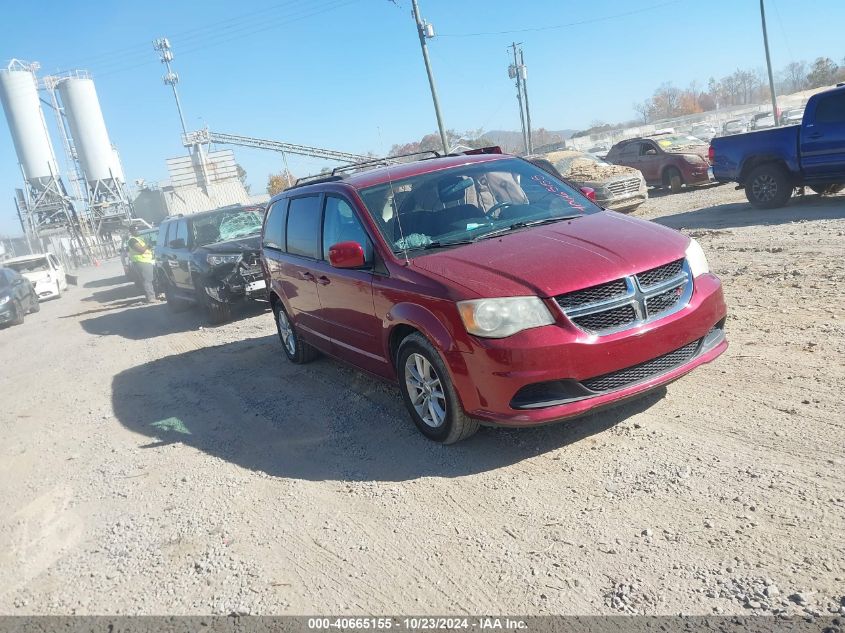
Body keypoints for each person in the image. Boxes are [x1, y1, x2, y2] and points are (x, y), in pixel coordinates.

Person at [127, 227, 156, 303]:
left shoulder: (140, 239)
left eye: (137, 230)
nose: (137, 231)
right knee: (147, 280)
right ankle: (151, 298)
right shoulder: (132, 240)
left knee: (149, 280)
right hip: (141, 261)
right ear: (131, 232)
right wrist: (148, 245)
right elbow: (141, 250)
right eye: (135, 230)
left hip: (147, 261)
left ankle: (152, 296)